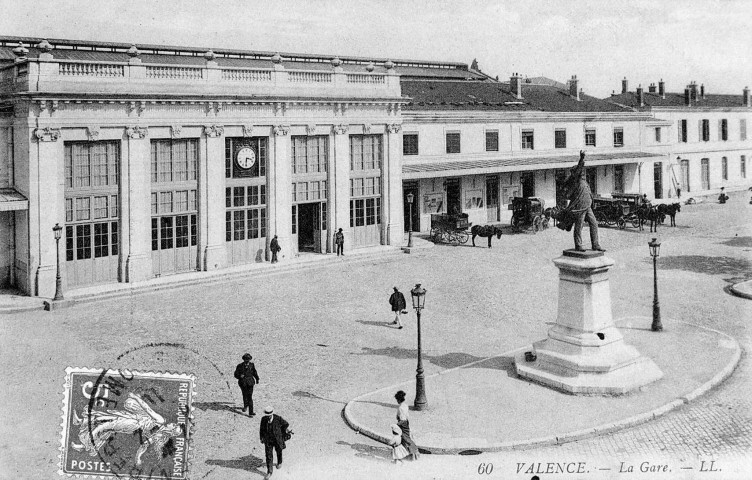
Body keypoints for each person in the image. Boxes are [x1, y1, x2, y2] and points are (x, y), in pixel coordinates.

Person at [562, 150, 604, 252]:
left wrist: (592, 201)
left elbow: (588, 192)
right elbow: (579, 168)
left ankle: (595, 244)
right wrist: (581, 158)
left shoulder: (583, 181)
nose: (582, 172)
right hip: (580, 206)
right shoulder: (575, 179)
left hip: (587, 205)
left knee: (594, 223)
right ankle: (578, 245)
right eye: (579, 171)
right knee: (579, 225)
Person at [259, 406, 290, 479]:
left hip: (277, 440)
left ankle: (279, 462)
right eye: (267, 416)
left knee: (279, 451)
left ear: (272, 414)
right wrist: (261, 438)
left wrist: (282, 432)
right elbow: (261, 429)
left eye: (269, 416)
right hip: (268, 440)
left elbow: (286, 424)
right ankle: (269, 472)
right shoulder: (263, 419)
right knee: (268, 455)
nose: (268, 417)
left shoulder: (278, 418)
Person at [394, 390, 419, 460]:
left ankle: (413, 453)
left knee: (406, 438)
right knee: (405, 439)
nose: (397, 401)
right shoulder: (405, 405)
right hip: (406, 423)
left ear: (399, 399)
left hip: (403, 424)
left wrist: (396, 425)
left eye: (397, 400)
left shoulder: (401, 407)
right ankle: (408, 453)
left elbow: (402, 420)